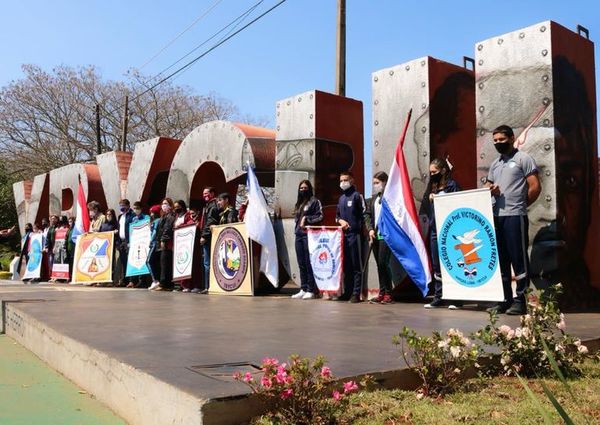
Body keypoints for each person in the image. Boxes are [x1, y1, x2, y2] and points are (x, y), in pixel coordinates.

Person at [485, 125, 541, 315]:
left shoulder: (523, 159)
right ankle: (504, 299)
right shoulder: (495, 164)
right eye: (495, 141)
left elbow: (535, 186)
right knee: (501, 260)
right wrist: (489, 189)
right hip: (497, 217)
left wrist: (522, 204)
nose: (498, 143)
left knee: (518, 259)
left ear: (511, 138)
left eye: (501, 140)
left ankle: (521, 300)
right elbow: (488, 185)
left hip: (515, 216)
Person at [419, 159, 461, 309]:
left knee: (453, 262)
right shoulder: (432, 186)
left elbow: (458, 204)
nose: (432, 175)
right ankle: (439, 296)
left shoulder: (452, 185)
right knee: (437, 265)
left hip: (450, 231)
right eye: (430, 172)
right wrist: (430, 197)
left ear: (443, 170)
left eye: (434, 172)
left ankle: (456, 298)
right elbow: (424, 206)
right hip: (435, 230)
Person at [334, 171, 366, 303]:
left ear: (352, 180)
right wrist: (340, 221)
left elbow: (365, 213)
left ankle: (356, 293)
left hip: (355, 235)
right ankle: (347, 292)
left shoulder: (357, 196)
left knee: (355, 265)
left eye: (345, 180)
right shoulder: (341, 199)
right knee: (346, 265)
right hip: (343, 236)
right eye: (341, 180)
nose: (343, 183)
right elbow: (337, 216)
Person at [364, 172, 394, 305]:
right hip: (375, 235)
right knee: (379, 265)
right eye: (374, 183)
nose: (375, 186)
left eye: (377, 183)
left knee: (383, 263)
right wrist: (370, 229)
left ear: (385, 182)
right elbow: (367, 214)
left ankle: (388, 292)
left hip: (386, 235)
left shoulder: (391, 197)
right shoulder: (374, 198)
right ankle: (382, 292)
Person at [290, 180, 323, 300]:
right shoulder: (299, 203)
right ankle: (303, 288)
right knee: (301, 263)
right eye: (301, 188)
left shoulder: (315, 201)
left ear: (309, 188)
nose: (303, 190)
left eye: (305, 188)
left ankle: (311, 289)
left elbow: (320, 216)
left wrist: (307, 219)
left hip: (309, 235)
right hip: (298, 235)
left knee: (309, 262)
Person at [153, 198, 176, 291]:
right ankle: (164, 283)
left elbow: (167, 229)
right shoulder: (164, 216)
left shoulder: (170, 216)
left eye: (166, 203)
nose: (164, 205)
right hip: (161, 242)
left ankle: (164, 284)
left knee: (165, 263)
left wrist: (163, 240)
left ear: (170, 205)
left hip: (167, 243)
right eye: (163, 203)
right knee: (162, 263)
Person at [199, 187, 219, 293]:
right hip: (209, 236)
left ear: (212, 193)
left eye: (206, 193)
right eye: (203, 193)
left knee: (207, 263)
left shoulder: (213, 205)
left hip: (209, 237)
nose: (204, 195)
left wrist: (204, 236)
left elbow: (210, 221)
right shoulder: (208, 205)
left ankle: (208, 287)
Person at [129, 202, 150, 288]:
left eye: (137, 208)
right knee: (135, 260)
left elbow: (148, 228)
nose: (135, 210)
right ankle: (134, 281)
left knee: (142, 260)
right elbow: (132, 230)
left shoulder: (146, 217)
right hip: (135, 242)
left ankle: (142, 281)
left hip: (143, 242)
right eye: (134, 208)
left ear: (141, 208)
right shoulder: (134, 219)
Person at [116, 199, 135, 287]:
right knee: (123, 262)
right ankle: (124, 280)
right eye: (120, 205)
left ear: (128, 206)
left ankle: (132, 281)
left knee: (130, 261)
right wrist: (118, 242)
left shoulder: (132, 215)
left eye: (123, 205)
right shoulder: (120, 216)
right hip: (121, 242)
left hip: (129, 241)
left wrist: (131, 241)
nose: (122, 207)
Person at [147, 205, 162, 291]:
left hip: (155, 243)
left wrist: (151, 240)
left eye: (153, 213)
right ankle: (156, 280)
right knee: (154, 262)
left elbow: (155, 231)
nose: (151, 214)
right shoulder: (154, 221)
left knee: (149, 261)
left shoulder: (157, 221)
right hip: (155, 243)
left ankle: (155, 280)